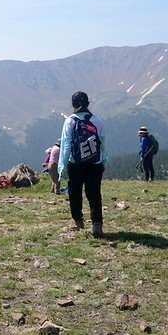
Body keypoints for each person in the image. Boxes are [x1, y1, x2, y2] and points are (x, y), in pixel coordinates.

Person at [58, 91, 108, 237]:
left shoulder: (70, 121)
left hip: (76, 164)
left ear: (73, 104)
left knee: (75, 193)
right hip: (95, 163)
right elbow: (103, 143)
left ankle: (78, 223)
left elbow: (66, 145)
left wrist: (62, 167)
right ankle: (97, 225)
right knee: (94, 193)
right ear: (87, 104)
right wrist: (103, 161)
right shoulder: (97, 121)